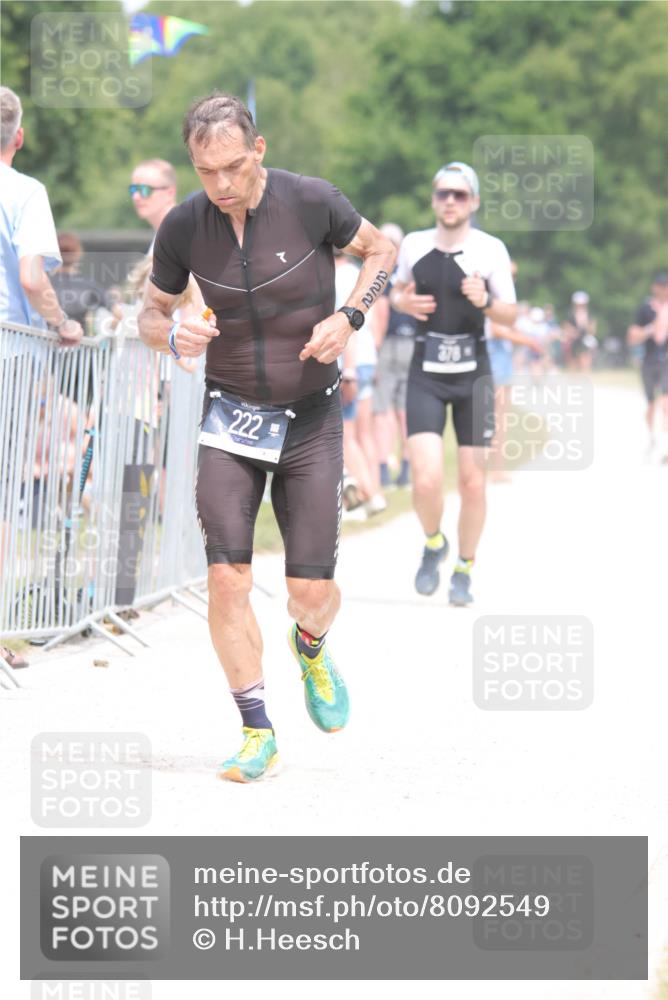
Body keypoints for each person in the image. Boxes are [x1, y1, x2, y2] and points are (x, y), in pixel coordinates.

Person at [138, 92, 395, 781]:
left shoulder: (312, 201)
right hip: (231, 418)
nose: (219, 185)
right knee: (227, 579)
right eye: (203, 171)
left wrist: (349, 316)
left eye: (230, 166)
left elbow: (381, 249)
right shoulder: (183, 227)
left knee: (310, 592)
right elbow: (151, 312)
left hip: (310, 416)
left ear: (259, 151)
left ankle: (309, 644)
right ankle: (256, 729)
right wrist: (173, 334)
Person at [390, 161, 517, 606]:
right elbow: (397, 292)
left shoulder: (490, 250)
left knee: (471, 482)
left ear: (473, 202)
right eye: (443, 193)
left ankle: (464, 567)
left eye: (459, 195)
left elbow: (511, 314)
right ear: (433, 199)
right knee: (424, 480)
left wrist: (488, 302)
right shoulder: (413, 243)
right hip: (426, 369)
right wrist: (401, 301)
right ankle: (433, 543)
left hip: (473, 372)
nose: (450, 201)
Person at [0, 86, 83, 670]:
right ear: (18, 137)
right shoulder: (25, 192)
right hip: (10, 352)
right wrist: (63, 322)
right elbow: (32, 278)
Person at [373, 223, 416, 489]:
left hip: (388, 345)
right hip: (411, 343)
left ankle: (383, 470)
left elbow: (381, 313)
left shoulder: (382, 275)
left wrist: (375, 349)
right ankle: (406, 471)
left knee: (383, 411)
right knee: (405, 412)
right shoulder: (411, 276)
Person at [627, 272, 668, 460]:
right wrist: (651, 329)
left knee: (666, 402)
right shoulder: (646, 309)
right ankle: (652, 438)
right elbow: (633, 335)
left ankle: (665, 441)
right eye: (661, 286)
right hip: (650, 359)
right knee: (651, 403)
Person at [130, 158, 178, 247]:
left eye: (145, 189)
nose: (136, 197)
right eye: (133, 189)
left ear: (170, 193)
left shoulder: (179, 234)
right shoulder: (164, 233)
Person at [563, 290, 597, 372]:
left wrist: (585, 324)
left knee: (585, 360)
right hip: (573, 341)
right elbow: (566, 328)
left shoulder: (589, 315)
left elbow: (592, 330)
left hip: (585, 340)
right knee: (572, 363)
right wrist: (573, 333)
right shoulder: (570, 315)